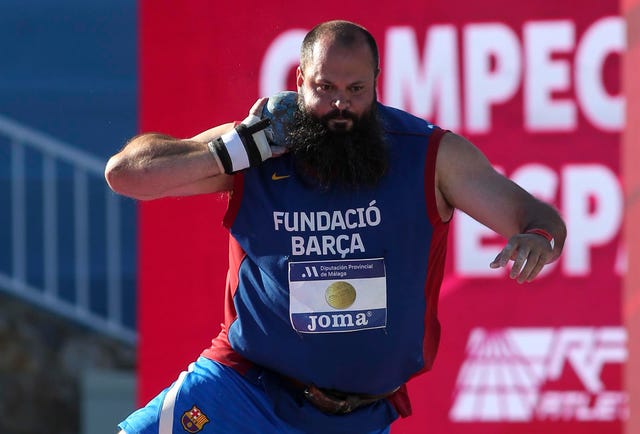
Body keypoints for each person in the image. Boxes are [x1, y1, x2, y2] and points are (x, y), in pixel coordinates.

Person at [105, 20, 566, 434]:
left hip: (357, 418)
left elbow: (535, 216)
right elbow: (127, 175)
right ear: (300, 81)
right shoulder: (258, 147)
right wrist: (236, 150)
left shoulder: (429, 156)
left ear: (378, 86)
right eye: (325, 88)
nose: (341, 104)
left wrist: (537, 238)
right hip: (245, 393)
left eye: (356, 89)